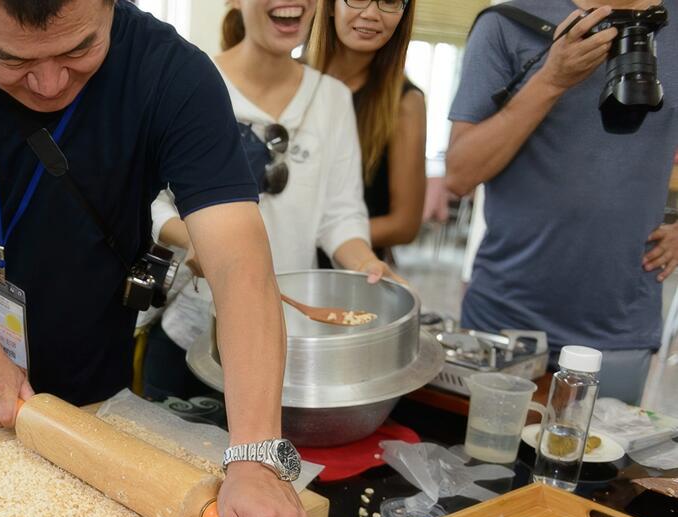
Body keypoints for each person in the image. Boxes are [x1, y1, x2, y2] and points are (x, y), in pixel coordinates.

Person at [0, 0, 307, 517]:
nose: (50, 83)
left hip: (96, 389)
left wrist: (254, 457)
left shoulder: (171, 73)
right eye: (11, 58)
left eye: (80, 49)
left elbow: (241, 264)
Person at [142, 0, 397, 401]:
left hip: (284, 343)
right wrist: (194, 237)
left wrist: (365, 263)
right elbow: (150, 199)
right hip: (192, 337)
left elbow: (340, 216)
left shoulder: (331, 99)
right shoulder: (189, 81)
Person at [444, 0, 678, 405]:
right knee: (485, 447)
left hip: (620, 327)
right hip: (503, 319)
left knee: (600, 448)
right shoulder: (506, 23)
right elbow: (461, 175)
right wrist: (552, 79)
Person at [306, 0, 425, 264]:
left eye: (390, 1)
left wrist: (316, 235)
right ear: (330, 6)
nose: (371, 14)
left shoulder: (405, 102)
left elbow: (404, 224)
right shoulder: (286, 77)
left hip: (349, 274)